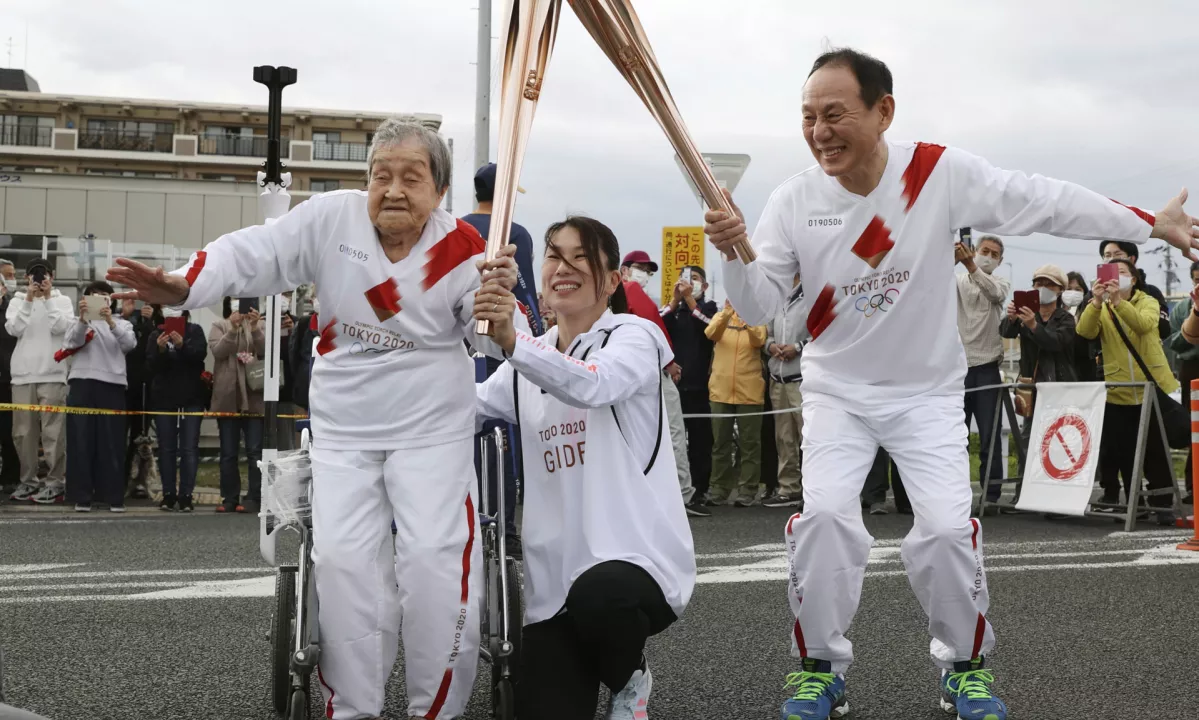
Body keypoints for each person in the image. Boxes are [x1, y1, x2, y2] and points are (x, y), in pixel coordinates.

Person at [702, 47, 1198, 720]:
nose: (819, 131)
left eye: (835, 114)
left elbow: (1040, 200)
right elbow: (760, 307)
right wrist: (733, 250)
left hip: (926, 396)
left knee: (942, 531)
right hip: (837, 394)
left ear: (882, 112)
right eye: (808, 117)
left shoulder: (933, 173)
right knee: (821, 521)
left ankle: (962, 667)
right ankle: (819, 667)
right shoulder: (793, 199)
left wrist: (1146, 223)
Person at [107, 118, 519, 720]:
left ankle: (437, 713)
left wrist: (500, 320)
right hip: (345, 427)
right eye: (382, 175)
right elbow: (254, 250)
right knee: (345, 565)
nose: (395, 190)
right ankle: (353, 710)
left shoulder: (463, 251)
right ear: (366, 181)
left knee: (433, 559)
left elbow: (495, 342)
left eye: (412, 177)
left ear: (439, 190)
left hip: (430, 429)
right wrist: (183, 284)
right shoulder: (332, 219)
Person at [472, 215, 695, 720]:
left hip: (636, 568)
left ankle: (629, 677)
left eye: (581, 257)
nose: (563, 267)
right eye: (553, 255)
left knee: (601, 594)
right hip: (554, 592)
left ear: (613, 280)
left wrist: (513, 343)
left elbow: (594, 384)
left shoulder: (634, 337)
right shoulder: (526, 364)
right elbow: (463, 406)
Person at [462, 162, 544, 553]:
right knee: (503, 436)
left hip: (459, 349)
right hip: (499, 347)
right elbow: (524, 298)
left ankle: (466, 522)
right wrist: (540, 344)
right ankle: (504, 528)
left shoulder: (454, 227)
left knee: (464, 433)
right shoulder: (516, 234)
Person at [1076, 258, 1179, 525]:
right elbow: (1085, 331)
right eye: (1111, 273)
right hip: (1119, 388)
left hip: (1151, 386)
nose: (1115, 277)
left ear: (1133, 280)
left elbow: (1144, 325)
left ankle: (1163, 504)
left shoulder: (1148, 300)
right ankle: (1137, 502)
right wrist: (1097, 302)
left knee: (1156, 450)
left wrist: (1119, 302)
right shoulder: (1102, 306)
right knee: (1126, 451)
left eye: (1122, 273)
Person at [619, 250, 707, 517]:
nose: (643, 274)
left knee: (636, 436)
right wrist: (668, 361)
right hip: (653, 371)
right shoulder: (631, 288)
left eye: (648, 270)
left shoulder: (608, 294)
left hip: (625, 373)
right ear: (624, 270)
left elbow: (654, 316)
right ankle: (682, 494)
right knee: (673, 434)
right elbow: (651, 327)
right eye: (638, 267)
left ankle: (643, 493)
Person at [60, 282, 136, 512]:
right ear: (86, 299)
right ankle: (82, 495)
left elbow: (129, 344)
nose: (101, 300)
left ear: (111, 301)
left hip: (112, 385)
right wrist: (84, 319)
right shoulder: (78, 321)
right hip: (82, 383)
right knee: (81, 441)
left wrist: (111, 322)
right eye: (95, 296)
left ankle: (113, 495)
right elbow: (71, 342)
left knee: (111, 442)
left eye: (105, 296)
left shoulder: (123, 323)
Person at [5, 257, 74, 505]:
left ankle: (55, 482)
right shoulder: (16, 301)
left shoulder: (62, 300)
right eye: (34, 276)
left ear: (51, 277)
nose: (38, 280)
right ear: (27, 279)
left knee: (53, 432)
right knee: (23, 433)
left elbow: (62, 328)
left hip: (53, 373)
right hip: (23, 375)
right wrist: (29, 299)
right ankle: (28, 481)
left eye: (43, 275)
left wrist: (46, 299)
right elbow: (13, 328)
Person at [954, 234, 1011, 504]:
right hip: (957, 369)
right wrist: (950, 262)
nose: (988, 256)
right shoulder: (955, 280)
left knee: (989, 435)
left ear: (1000, 262)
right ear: (974, 250)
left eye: (994, 254)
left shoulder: (1000, 282)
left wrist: (971, 266)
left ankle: (991, 494)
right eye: (984, 250)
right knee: (955, 437)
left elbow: (994, 294)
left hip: (987, 367)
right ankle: (955, 494)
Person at [999, 265, 1077, 450]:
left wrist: (1033, 326)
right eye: (1039, 283)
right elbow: (1006, 333)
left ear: (1060, 291)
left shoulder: (1065, 318)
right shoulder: (1026, 314)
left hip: (1059, 385)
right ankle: (1024, 478)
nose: (1043, 288)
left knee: (1059, 438)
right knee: (1029, 439)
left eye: (1050, 284)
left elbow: (1055, 342)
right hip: (1030, 386)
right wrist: (1011, 318)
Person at [661, 266, 719, 511]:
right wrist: (675, 300)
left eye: (695, 279)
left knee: (700, 442)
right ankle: (674, 488)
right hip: (674, 386)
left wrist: (689, 300)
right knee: (673, 441)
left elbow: (710, 329)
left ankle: (700, 490)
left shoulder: (709, 308)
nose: (690, 283)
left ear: (704, 286)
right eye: (686, 279)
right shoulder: (675, 310)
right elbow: (656, 324)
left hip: (701, 385)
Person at [705, 301, 768, 506]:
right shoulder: (721, 316)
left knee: (749, 444)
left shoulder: (758, 318)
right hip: (720, 390)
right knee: (720, 443)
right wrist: (726, 312)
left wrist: (748, 315)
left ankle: (748, 490)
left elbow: (759, 339)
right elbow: (711, 333)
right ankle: (719, 488)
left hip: (749, 390)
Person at [147, 306, 207, 513]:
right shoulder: (156, 333)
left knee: (189, 448)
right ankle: (168, 494)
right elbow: (151, 366)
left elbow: (200, 356)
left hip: (192, 397)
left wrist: (182, 346)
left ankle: (186, 495)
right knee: (167, 448)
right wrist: (161, 350)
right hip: (164, 398)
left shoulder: (195, 330)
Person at [209, 297, 266, 514]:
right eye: (234, 301)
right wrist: (232, 329)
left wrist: (254, 328)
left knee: (254, 451)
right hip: (228, 395)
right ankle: (229, 497)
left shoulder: (260, 325)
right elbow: (218, 351)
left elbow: (265, 351)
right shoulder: (219, 325)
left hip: (254, 396)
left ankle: (255, 497)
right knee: (228, 452)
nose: (238, 305)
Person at [762, 275, 806, 509]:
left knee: (807, 436)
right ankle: (788, 487)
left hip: (802, 378)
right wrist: (770, 346)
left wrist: (797, 347)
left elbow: (822, 332)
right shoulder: (776, 297)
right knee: (784, 437)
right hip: (777, 377)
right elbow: (766, 334)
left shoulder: (811, 293)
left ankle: (812, 490)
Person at [1169, 263, 1199, 504]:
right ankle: (1193, 486)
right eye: (1197, 279)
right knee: (1195, 429)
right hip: (1191, 369)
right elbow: (1174, 342)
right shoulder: (1182, 308)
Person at [1099, 240, 1171, 339]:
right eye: (1107, 255)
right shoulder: (1097, 295)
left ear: (1132, 259)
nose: (1112, 259)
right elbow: (1086, 333)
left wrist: (1120, 304)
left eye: (1117, 254)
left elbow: (1164, 330)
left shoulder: (1151, 293)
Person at [0, 258, 21, 495]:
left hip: (8, 379)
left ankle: (10, 478)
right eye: (9, 274)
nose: (12, 279)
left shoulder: (12, 309)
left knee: (9, 432)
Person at [1063, 271, 1100, 382]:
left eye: (1078, 289)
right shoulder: (1055, 312)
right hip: (1062, 368)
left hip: (1085, 369)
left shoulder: (1089, 310)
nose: (1073, 292)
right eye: (1068, 289)